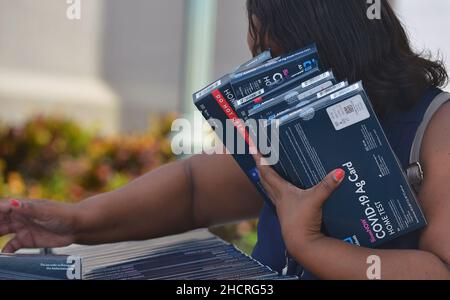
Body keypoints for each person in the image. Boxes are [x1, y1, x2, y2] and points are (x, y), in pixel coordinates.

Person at [0, 0, 449, 280]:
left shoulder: (436, 128)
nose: (257, 59)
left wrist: (312, 247)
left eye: (273, 52)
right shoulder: (288, 123)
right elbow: (195, 189)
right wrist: (77, 220)